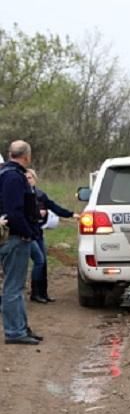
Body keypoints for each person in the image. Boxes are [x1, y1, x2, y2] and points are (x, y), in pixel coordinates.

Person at [0, 141, 41, 345]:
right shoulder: (13, 177)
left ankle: (22, 327)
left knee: (17, 287)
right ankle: (15, 331)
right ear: (27, 156)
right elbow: (15, 211)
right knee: (13, 287)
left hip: (14, 236)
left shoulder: (8, 174)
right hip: (15, 238)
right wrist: (28, 233)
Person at [26, 169, 79, 303]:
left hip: (38, 233)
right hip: (27, 233)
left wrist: (72, 214)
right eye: (25, 178)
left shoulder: (40, 195)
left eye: (30, 177)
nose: (28, 180)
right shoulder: (21, 195)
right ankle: (35, 293)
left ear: (35, 179)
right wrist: (39, 214)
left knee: (42, 262)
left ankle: (42, 293)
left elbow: (54, 207)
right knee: (39, 261)